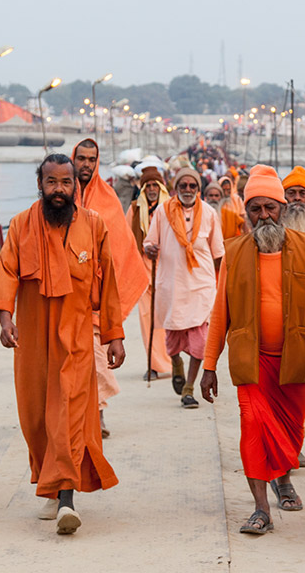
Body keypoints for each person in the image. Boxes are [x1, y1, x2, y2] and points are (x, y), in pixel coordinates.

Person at [0, 153, 126, 535]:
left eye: (67, 183)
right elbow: (8, 273)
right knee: (35, 418)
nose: (60, 190)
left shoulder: (94, 226)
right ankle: (51, 486)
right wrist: (4, 317)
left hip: (77, 338)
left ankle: (66, 498)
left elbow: (109, 281)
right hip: (33, 338)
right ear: (41, 184)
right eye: (53, 183)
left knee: (68, 412)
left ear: (76, 186)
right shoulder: (20, 225)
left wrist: (113, 335)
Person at [201, 165, 305, 535]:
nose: (263, 216)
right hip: (251, 363)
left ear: (282, 208)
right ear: (247, 213)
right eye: (255, 209)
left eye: (270, 207)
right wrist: (209, 366)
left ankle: (283, 479)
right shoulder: (234, 252)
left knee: (290, 438)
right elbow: (220, 312)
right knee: (253, 431)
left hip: (296, 362)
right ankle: (261, 510)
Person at [73, 139, 150, 437]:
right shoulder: (62, 198)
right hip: (65, 299)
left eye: (92, 159)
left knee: (96, 361)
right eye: (81, 158)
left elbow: (120, 251)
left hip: (96, 301)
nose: (86, 165)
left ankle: (99, 414)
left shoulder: (107, 201)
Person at [144, 166, 225, 409]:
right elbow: (149, 241)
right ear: (175, 188)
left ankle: (188, 388)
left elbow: (218, 253)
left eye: (192, 186)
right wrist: (149, 248)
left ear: (198, 189)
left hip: (201, 286)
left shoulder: (210, 213)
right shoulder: (162, 211)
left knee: (201, 344)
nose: (188, 190)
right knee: (172, 341)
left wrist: (222, 287)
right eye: (183, 186)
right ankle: (176, 364)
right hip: (172, 284)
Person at [128, 160, 172, 380]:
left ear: (161, 188)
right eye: (148, 187)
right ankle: (152, 364)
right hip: (143, 274)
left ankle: (173, 362)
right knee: (148, 321)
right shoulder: (135, 210)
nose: (152, 190)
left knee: (168, 320)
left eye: (155, 186)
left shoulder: (171, 209)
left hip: (168, 273)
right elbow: (126, 240)